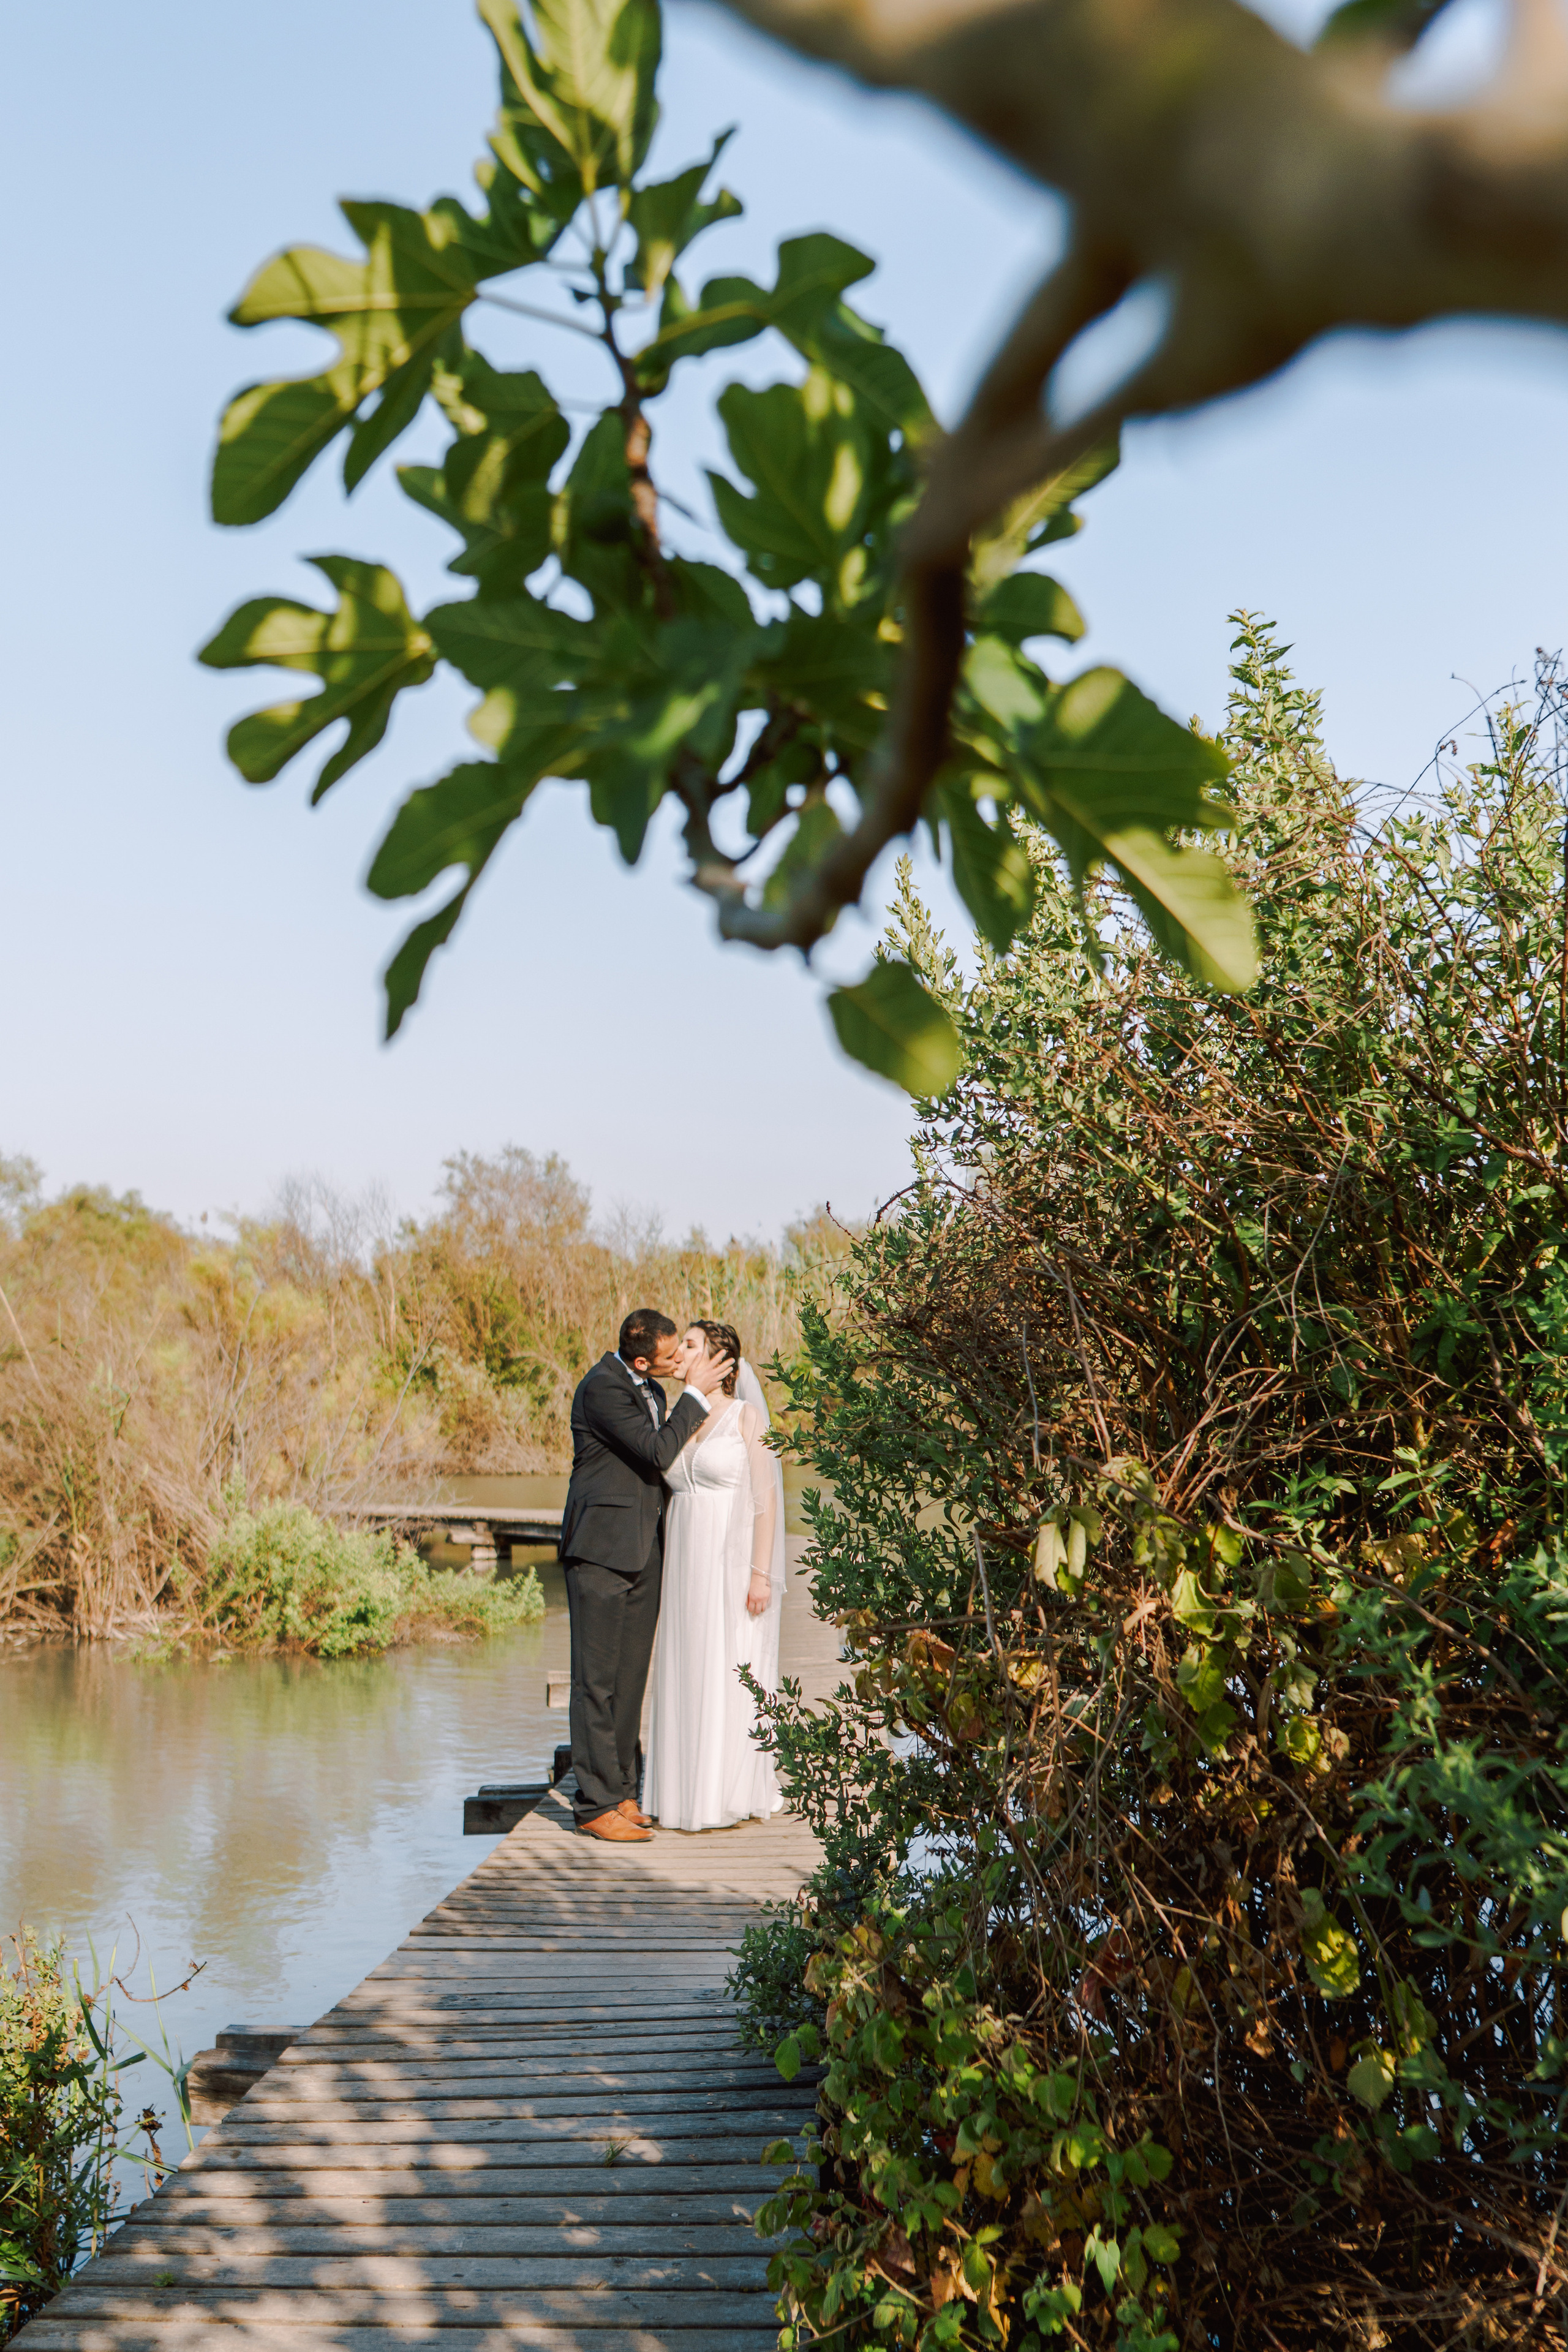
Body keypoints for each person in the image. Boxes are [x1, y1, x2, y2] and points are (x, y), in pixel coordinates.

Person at [559, 1308, 731, 1842]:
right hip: (599, 1551)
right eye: (670, 1355)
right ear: (641, 1359)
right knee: (596, 1683)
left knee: (630, 1680)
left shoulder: (654, 1391)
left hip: (643, 1551)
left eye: (681, 1349)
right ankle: (593, 1805)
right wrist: (697, 1396)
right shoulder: (602, 1389)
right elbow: (659, 1451)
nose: (679, 1359)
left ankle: (624, 1790)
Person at [643, 1319, 786, 1833]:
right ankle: (680, 1791)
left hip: (730, 1559)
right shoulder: (678, 1416)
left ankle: (725, 1791)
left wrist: (761, 1574)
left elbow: (765, 1502)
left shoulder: (747, 1418)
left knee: (727, 1665)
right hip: (683, 1561)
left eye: (690, 1343)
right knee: (688, 1662)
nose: (678, 1350)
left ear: (720, 1362)